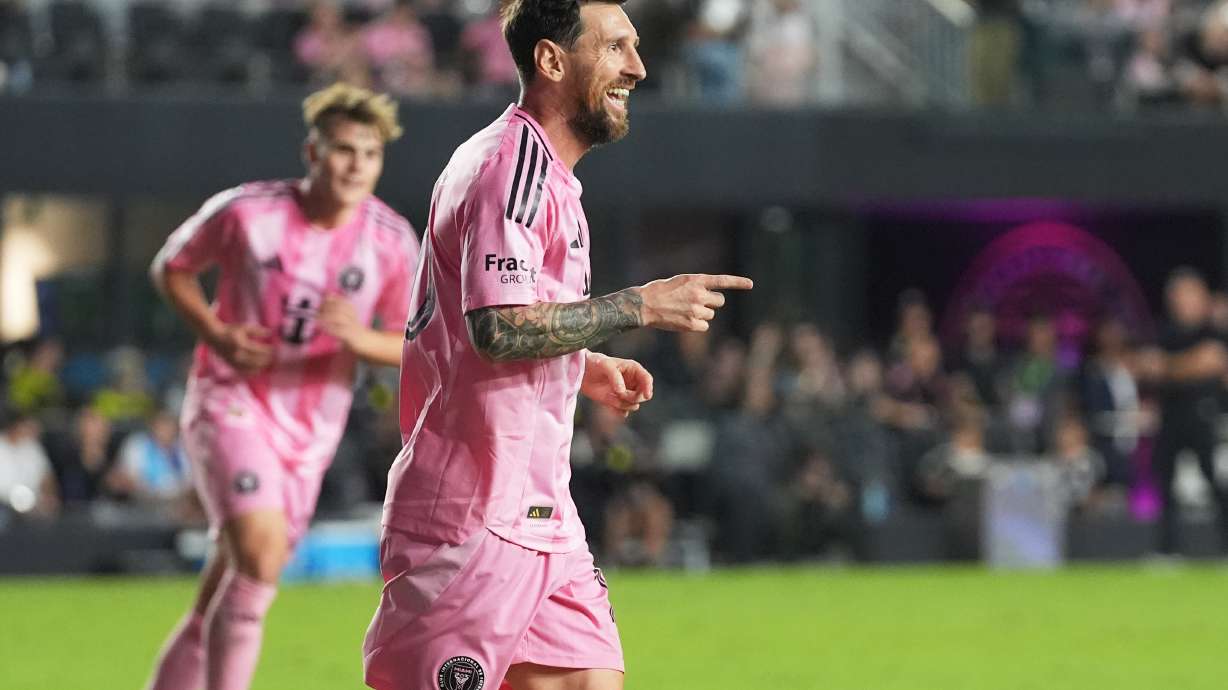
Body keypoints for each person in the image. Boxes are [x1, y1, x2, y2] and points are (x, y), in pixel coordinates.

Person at [363, 3, 752, 689]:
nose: (637, 66)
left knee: (590, 680)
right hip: (473, 518)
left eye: (635, 46)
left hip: (543, 511)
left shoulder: (546, 177)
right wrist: (639, 305)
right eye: (615, 48)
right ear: (551, 61)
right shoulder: (509, 169)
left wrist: (582, 364)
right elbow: (497, 327)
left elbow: (499, 318)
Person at [144, 82, 419, 690]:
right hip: (230, 400)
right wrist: (216, 335)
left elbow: (413, 342)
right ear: (312, 152)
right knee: (262, 557)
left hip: (312, 429)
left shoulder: (391, 241)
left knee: (231, 580)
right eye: (343, 150)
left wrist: (360, 341)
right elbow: (173, 267)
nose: (356, 166)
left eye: (370, 154)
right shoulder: (249, 212)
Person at [1146, 267, 1228, 556]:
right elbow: (1150, 367)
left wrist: (1171, 368)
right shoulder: (1165, 332)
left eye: (1189, 294)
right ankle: (1168, 551)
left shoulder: (1214, 330)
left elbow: (1215, 363)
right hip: (1171, 417)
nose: (1183, 300)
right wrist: (1188, 365)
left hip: (1204, 416)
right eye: (1178, 295)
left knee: (1217, 483)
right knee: (1164, 485)